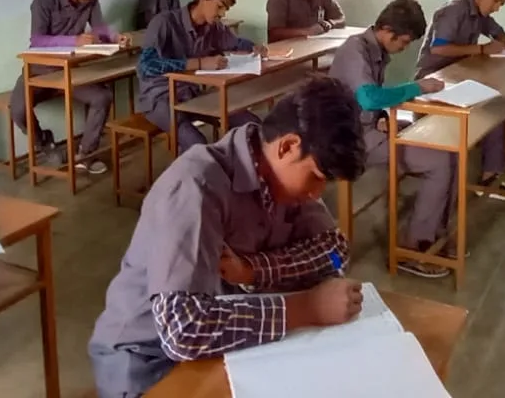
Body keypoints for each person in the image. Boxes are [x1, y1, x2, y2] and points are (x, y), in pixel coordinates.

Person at [88, 77, 369, 397]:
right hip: (147, 357)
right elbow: (183, 331)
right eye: (316, 178)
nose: (316, 193)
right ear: (288, 146)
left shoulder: (287, 185)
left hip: (225, 337)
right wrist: (306, 309)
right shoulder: (196, 186)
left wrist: (253, 270)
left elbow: (335, 255)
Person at [328, 0, 462, 278]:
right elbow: (367, 97)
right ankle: (412, 248)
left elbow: (366, 99)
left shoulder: (373, 49)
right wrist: (417, 87)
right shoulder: (355, 50)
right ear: (388, 31)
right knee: (438, 160)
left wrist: (382, 117)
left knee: (449, 148)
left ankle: (434, 231)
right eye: (403, 42)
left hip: (365, 127)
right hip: (348, 139)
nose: (403, 49)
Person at [9, 0, 131, 174]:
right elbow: (37, 40)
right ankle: (45, 143)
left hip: (70, 70)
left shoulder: (91, 0)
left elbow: (99, 27)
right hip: (39, 70)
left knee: (101, 97)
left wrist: (114, 37)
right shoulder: (44, 1)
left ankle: (85, 154)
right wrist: (74, 41)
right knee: (18, 110)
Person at [137, 0, 268, 151]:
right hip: (159, 97)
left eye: (226, 9)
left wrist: (254, 47)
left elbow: (235, 42)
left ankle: (241, 173)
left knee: (250, 124)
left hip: (191, 94)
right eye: (220, 6)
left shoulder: (213, 26)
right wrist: (199, 63)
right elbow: (146, 66)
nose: (222, 14)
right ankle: (188, 177)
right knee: (196, 142)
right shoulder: (164, 22)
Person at [416, 0, 505, 198]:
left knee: (499, 106)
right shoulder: (455, 10)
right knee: (490, 108)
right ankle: (489, 169)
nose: (497, 7)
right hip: (434, 78)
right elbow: (438, 49)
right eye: (496, 1)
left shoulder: (479, 12)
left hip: (458, 75)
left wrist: (503, 39)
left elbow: (494, 28)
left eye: (501, 4)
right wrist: (481, 50)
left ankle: (492, 169)